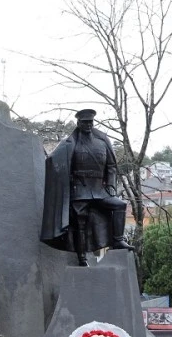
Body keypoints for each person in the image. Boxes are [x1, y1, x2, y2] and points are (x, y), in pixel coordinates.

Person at [41, 107, 134, 266]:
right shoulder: (70, 142)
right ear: (78, 123)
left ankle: (118, 240)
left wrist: (111, 185)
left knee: (120, 205)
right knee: (80, 223)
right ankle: (82, 258)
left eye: (90, 122)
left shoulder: (102, 140)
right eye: (85, 122)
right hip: (79, 191)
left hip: (99, 190)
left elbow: (111, 166)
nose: (88, 125)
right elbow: (54, 162)